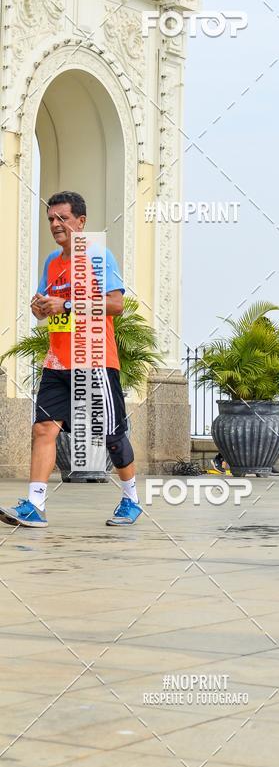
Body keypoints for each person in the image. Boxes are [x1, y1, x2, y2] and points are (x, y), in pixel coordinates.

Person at [0, 191, 141, 529]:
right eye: (51, 219)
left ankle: (131, 498)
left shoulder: (98, 256)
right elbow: (46, 306)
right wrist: (40, 306)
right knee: (43, 428)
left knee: (112, 435)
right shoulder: (52, 262)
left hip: (96, 360)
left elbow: (116, 305)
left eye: (62, 218)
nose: (55, 224)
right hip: (57, 362)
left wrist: (65, 306)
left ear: (81, 221)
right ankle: (35, 505)